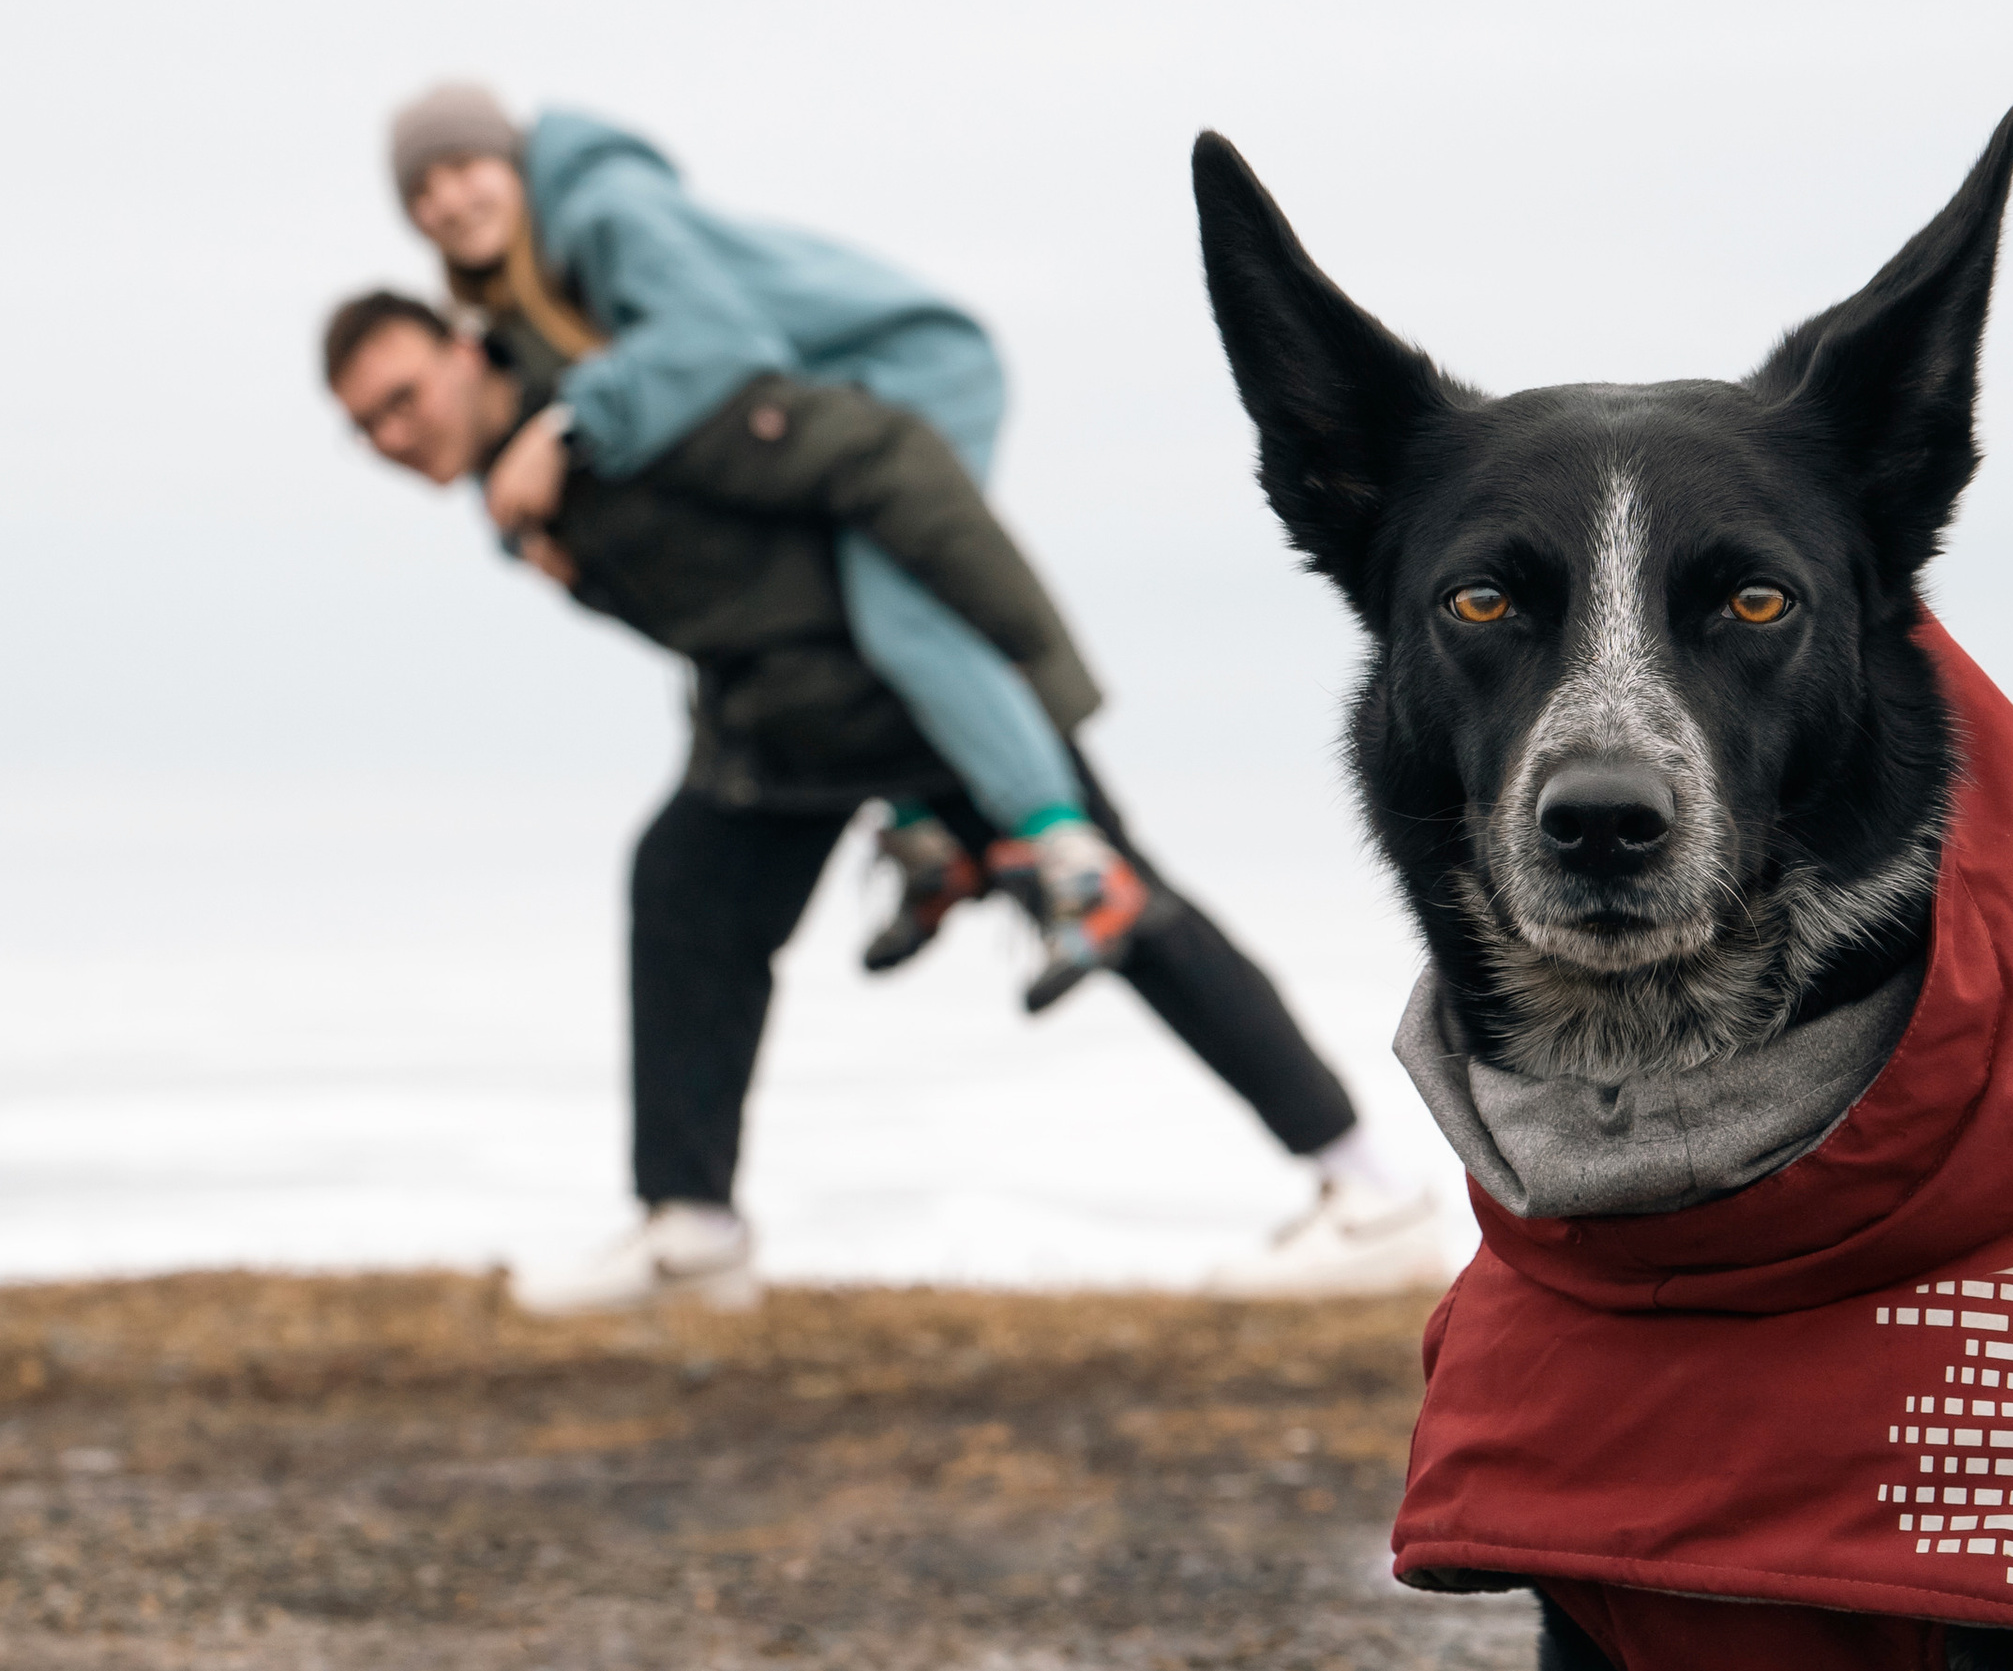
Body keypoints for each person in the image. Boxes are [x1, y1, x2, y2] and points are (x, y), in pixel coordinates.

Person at [322, 283, 1442, 1312]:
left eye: (403, 397)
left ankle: (1370, 1192)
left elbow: (856, 466)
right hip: (787, 731)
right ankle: (691, 1228)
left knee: (1123, 908)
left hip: (923, 702)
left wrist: (997, 651)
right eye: (367, 423)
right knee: (680, 891)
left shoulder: (624, 416)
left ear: (468, 352)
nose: (393, 434)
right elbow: (723, 609)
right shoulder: (531, 490)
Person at [387, 80, 1152, 1009]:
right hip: (832, 410)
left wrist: (564, 434)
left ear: (509, 160)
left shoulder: (604, 211)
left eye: (462, 169)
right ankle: (931, 835)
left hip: (913, 369)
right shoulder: (532, 281)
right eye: (421, 194)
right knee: (835, 615)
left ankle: (1077, 863)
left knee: (903, 617)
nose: (447, 202)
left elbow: (715, 345)